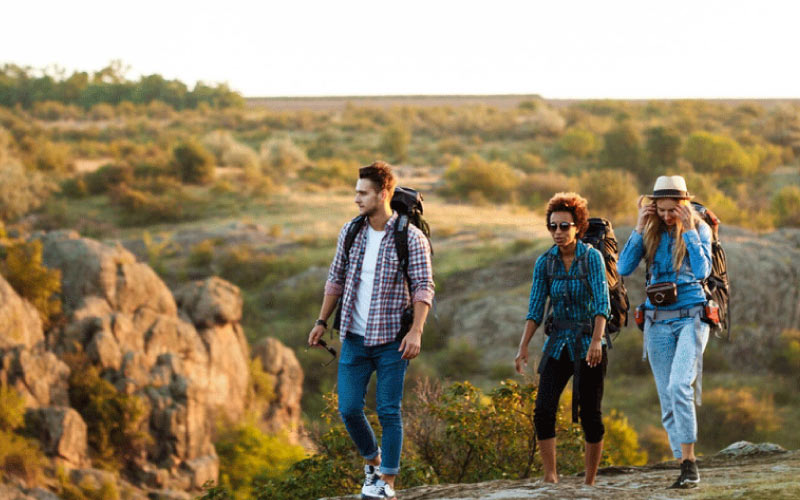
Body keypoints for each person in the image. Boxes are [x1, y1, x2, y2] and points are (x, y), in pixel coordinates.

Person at [308, 161, 434, 500]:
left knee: (389, 410)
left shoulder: (410, 237)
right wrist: (321, 321)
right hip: (353, 336)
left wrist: (416, 331)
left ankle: (386, 483)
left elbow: (424, 287)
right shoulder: (351, 231)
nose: (356, 199)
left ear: (384, 194)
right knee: (348, 408)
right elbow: (335, 279)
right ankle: (373, 460)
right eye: (356, 192)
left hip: (393, 339)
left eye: (363, 193)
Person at [617, 175, 712, 489]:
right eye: (662, 210)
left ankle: (689, 463)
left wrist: (689, 231)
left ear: (684, 206)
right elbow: (623, 268)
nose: (668, 216)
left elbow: (702, 271)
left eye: (674, 210)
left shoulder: (700, 229)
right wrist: (638, 226)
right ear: (654, 208)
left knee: (678, 386)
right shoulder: (650, 231)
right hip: (657, 320)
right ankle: (681, 463)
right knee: (667, 398)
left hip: (692, 317)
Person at [515, 192, 610, 486]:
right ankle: (550, 477)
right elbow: (535, 308)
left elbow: (602, 303)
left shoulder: (592, 258)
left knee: (590, 415)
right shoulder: (545, 263)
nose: (558, 232)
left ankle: (590, 483)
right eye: (553, 226)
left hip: (589, 343)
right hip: (557, 344)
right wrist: (523, 347)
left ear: (578, 227)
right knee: (543, 410)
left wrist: (597, 340)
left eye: (564, 226)